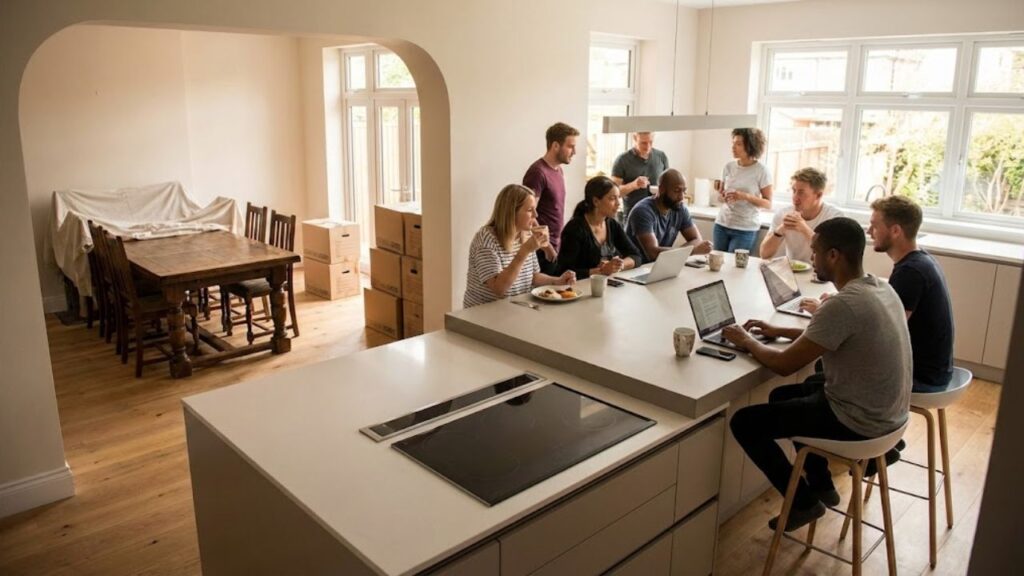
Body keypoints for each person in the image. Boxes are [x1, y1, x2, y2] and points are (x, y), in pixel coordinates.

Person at [722, 217, 912, 531]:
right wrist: (777, 330)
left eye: (815, 251)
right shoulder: (881, 287)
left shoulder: (843, 305)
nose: (811, 258)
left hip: (860, 422)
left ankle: (802, 502)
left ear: (833, 255)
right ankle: (821, 484)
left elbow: (783, 365)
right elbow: (829, 335)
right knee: (784, 395)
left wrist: (747, 341)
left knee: (745, 422)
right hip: (892, 417)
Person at [869, 195, 954, 392]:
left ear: (895, 231)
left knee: (832, 362)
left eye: (874, 226)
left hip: (921, 376)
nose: (869, 231)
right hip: (935, 370)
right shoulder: (920, 260)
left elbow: (887, 331)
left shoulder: (910, 272)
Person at [463, 184, 576, 308]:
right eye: (530, 210)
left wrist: (557, 281)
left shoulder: (525, 234)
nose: (536, 215)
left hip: (515, 309)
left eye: (535, 209)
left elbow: (532, 276)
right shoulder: (486, 239)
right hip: (483, 314)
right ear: (511, 212)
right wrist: (525, 251)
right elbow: (499, 288)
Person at [556, 176, 642, 279]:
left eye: (618, 198)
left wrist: (619, 265)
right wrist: (601, 271)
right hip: (580, 286)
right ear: (596, 201)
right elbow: (563, 271)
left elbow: (636, 256)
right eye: (612, 198)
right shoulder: (574, 229)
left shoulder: (612, 224)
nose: (618, 203)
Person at [522, 122, 579, 274]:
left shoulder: (558, 170)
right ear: (555, 146)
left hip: (555, 245)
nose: (574, 152)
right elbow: (528, 214)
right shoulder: (537, 173)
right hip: (541, 250)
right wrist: (547, 247)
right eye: (570, 146)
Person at [626, 169, 712, 264]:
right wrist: (691, 251)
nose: (681, 197)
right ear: (661, 189)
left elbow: (697, 240)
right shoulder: (643, 211)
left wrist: (680, 252)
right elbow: (652, 253)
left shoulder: (679, 208)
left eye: (684, 191)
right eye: (677, 191)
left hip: (660, 265)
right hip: (636, 268)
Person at [759, 167, 843, 264]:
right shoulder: (783, 213)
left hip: (821, 272)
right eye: (794, 190)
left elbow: (831, 258)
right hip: (791, 271)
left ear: (818, 195)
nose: (795, 197)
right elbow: (763, 254)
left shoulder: (834, 218)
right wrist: (780, 230)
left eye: (801, 192)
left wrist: (804, 228)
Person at [713, 127, 773, 253]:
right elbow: (720, 196)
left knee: (734, 264)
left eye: (739, 144)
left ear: (751, 146)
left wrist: (745, 196)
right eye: (733, 143)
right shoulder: (728, 167)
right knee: (717, 263)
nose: (733, 147)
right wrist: (722, 196)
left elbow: (768, 204)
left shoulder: (762, 171)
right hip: (721, 224)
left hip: (745, 229)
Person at [611, 132, 670, 218]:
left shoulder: (661, 156)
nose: (648, 146)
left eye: (650, 142)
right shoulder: (622, 160)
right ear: (635, 138)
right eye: (643, 143)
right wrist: (634, 185)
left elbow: (668, 185)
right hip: (633, 215)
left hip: (658, 215)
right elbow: (613, 193)